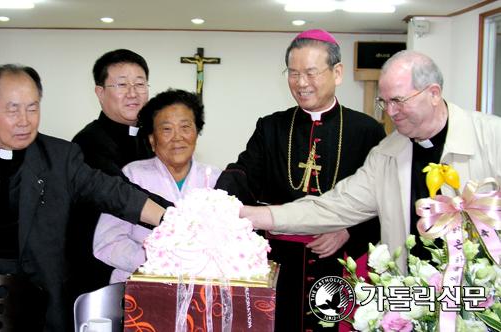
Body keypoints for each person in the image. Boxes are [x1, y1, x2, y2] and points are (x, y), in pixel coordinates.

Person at [241, 50, 501, 273]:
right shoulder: (387, 152)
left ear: (433, 94)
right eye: (383, 102)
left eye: (398, 101)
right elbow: (335, 206)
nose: (389, 113)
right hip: (411, 298)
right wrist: (249, 215)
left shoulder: (492, 138)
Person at [0, 64, 166, 332]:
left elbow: (111, 192)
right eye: (12, 109)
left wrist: (170, 219)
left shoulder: (60, 157)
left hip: (43, 291)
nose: (24, 121)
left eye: (32, 108)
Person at [215, 30, 385, 332]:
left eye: (310, 72)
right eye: (293, 73)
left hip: (338, 258)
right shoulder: (271, 126)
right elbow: (244, 173)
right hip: (281, 259)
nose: (301, 83)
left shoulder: (367, 130)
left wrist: (350, 231)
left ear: (338, 72)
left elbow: (383, 198)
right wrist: (217, 198)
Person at [70, 49, 172, 297]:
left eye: (139, 84)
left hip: (148, 260)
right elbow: (123, 194)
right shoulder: (88, 142)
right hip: (100, 267)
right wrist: (178, 216)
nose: (133, 93)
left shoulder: (151, 138)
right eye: (122, 84)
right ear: (100, 92)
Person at [93, 89, 221, 283]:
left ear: (196, 133)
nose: (178, 137)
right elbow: (106, 242)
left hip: (202, 288)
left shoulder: (215, 179)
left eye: (185, 127)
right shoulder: (133, 175)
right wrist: (158, 261)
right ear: (152, 140)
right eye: (167, 129)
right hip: (139, 288)